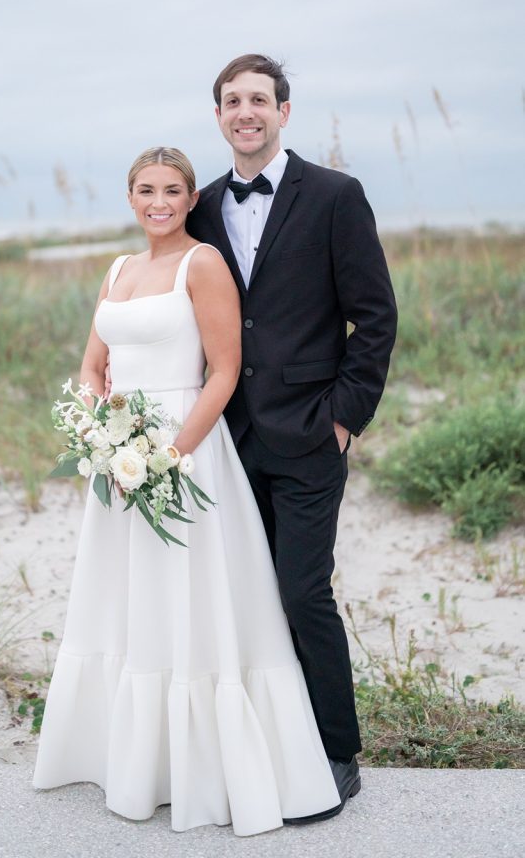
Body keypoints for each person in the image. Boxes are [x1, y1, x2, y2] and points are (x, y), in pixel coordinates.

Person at [33, 147, 342, 835]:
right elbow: (93, 363)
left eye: (173, 190)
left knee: (188, 602)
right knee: (127, 602)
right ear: (130, 196)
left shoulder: (203, 265)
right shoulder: (118, 269)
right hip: (119, 461)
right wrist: (97, 432)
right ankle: (133, 760)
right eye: (146, 190)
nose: (159, 202)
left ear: (190, 197)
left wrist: (168, 453)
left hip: (187, 451)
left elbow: (225, 372)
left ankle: (202, 766)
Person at [187, 54, 398, 820]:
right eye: (231, 101)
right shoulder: (202, 205)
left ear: (283, 112)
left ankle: (336, 752)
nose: (245, 112)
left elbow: (374, 317)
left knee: (303, 591)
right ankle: (268, 740)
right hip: (229, 442)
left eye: (259, 100)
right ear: (218, 117)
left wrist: (344, 418)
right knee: (244, 596)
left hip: (311, 433)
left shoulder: (337, 197)